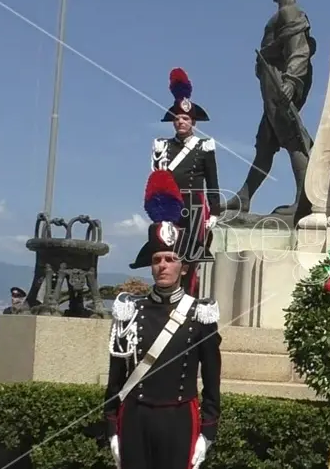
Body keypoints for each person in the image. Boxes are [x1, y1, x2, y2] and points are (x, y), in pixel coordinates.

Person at [105, 169, 222, 469]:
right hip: (134, 417)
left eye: (170, 259)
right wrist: (111, 428)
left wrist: (207, 433)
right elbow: (115, 378)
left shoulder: (201, 314)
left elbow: (211, 379)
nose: (162, 266)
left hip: (179, 419)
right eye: (157, 260)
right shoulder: (129, 311)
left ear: (184, 268)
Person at [225, 0, 316, 217]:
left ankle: (305, 201)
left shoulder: (291, 14)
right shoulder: (282, 15)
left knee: (293, 140)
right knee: (265, 144)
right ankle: (244, 196)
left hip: (279, 87)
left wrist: (290, 82)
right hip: (272, 87)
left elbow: (300, 51)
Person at [152, 67, 220, 297]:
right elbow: (156, 180)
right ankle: (166, 293)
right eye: (177, 118)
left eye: (185, 118)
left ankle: (188, 295)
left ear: (194, 122)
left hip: (195, 207)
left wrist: (215, 213)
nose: (181, 122)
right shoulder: (162, 146)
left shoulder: (205, 147)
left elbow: (212, 182)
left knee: (191, 253)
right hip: (170, 205)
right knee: (166, 249)